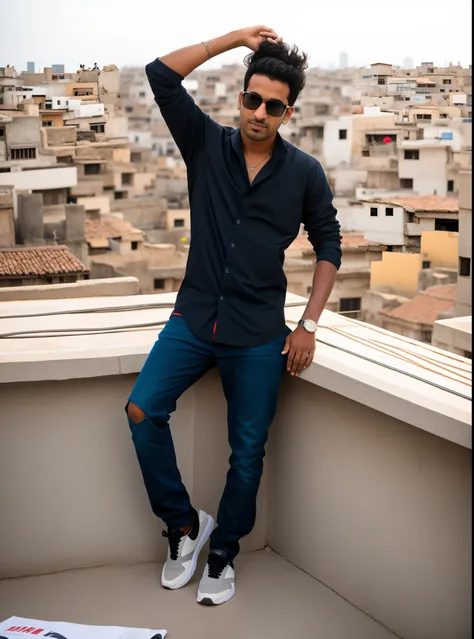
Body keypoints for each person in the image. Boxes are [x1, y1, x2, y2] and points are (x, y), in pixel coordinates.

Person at [126, 25, 342, 606]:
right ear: (240, 95)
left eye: (274, 106)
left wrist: (310, 325)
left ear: (288, 113)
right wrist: (235, 38)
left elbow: (330, 247)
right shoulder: (206, 143)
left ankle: (222, 555)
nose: (260, 113)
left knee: (247, 454)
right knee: (142, 411)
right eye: (252, 98)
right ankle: (184, 528)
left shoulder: (304, 174)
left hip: (256, 336)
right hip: (194, 319)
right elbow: (159, 75)